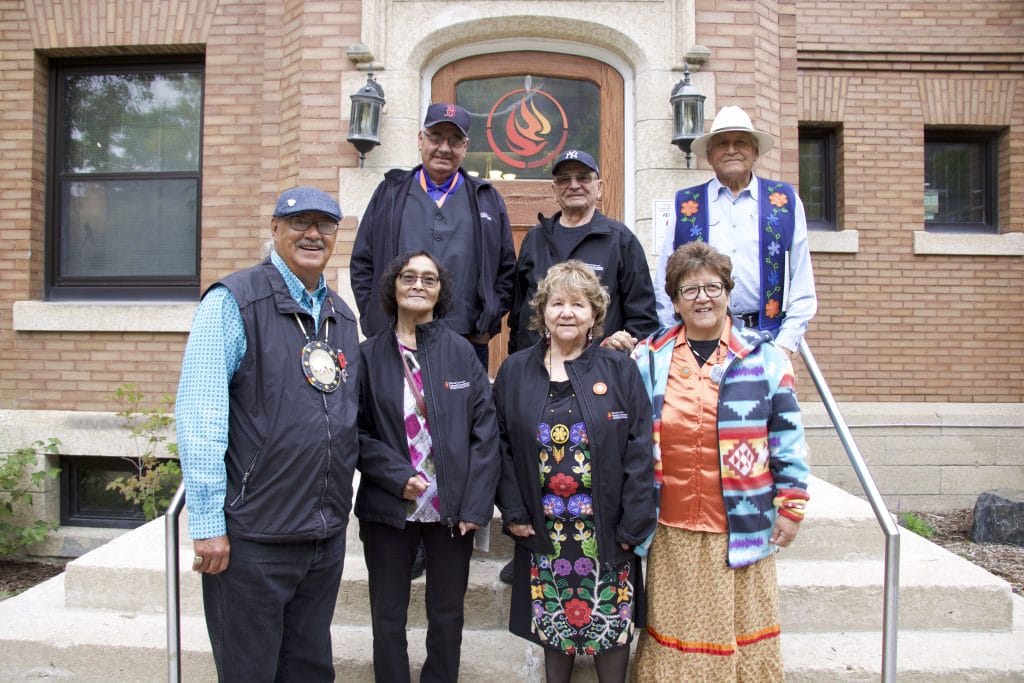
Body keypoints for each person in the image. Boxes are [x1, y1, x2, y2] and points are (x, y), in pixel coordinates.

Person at [176, 186, 360, 681]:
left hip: (321, 535)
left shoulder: (341, 317)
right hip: (253, 536)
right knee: (249, 672)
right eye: (299, 223)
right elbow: (201, 418)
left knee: (309, 669)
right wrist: (208, 524)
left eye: (325, 226)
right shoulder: (234, 301)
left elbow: (347, 418)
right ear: (275, 229)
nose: (313, 235)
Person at [630, 241, 810, 681]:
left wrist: (792, 505)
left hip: (742, 521)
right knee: (674, 626)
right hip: (671, 524)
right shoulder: (648, 358)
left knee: (739, 626)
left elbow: (787, 435)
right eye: (689, 291)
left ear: (728, 293)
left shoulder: (764, 358)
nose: (703, 298)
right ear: (674, 301)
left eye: (712, 287)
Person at [493, 261, 656, 683]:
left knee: (611, 627)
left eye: (578, 304)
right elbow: (501, 446)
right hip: (544, 529)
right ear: (543, 311)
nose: (567, 312)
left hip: (605, 528)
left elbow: (640, 447)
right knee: (554, 626)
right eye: (557, 303)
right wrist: (513, 511)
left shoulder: (619, 370)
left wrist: (635, 520)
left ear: (594, 315)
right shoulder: (514, 371)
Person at [355, 251, 500, 682]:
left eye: (429, 279)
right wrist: (395, 476)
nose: (418, 284)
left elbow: (485, 434)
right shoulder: (367, 356)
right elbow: (354, 433)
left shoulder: (460, 353)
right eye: (409, 276)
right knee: (387, 616)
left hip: (450, 512)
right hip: (388, 508)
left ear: (441, 291)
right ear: (393, 286)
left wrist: (476, 507)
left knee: (447, 615)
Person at [351, 102, 516, 370]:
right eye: (436, 138)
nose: (444, 148)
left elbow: (506, 269)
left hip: (466, 339)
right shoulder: (389, 193)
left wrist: (489, 318)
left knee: (462, 411)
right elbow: (363, 261)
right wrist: (375, 318)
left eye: (454, 141)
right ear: (420, 139)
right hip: (396, 338)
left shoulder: (487, 198)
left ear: (465, 147)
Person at [654, 105, 817, 355]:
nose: (731, 150)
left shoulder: (783, 201)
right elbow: (665, 280)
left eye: (740, 141)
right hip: (699, 339)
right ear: (709, 155)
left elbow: (802, 282)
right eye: (722, 143)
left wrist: (786, 343)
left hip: (767, 338)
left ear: (755, 151)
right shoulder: (687, 204)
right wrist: (672, 340)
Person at [508, 149, 659, 354]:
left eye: (583, 178)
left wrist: (617, 354)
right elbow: (518, 314)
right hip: (537, 367)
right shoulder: (535, 238)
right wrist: (518, 360)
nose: (574, 185)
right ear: (554, 189)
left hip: (598, 372)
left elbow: (643, 319)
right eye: (564, 179)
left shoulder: (621, 241)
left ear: (599, 188)